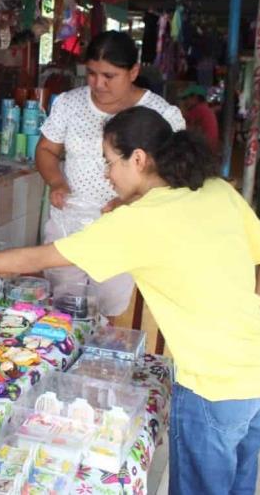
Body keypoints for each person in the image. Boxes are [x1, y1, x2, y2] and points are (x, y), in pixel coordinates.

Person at [0, 106, 260, 495]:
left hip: (213, 388)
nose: (106, 175)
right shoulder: (217, 190)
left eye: (110, 162)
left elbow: (43, 257)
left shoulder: (138, 223)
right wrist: (240, 316)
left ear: (138, 159)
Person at [35, 30, 186, 317]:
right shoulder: (70, 103)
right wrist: (57, 181)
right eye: (91, 73)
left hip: (125, 226)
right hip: (69, 220)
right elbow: (46, 151)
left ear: (133, 72)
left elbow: (173, 175)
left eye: (109, 75)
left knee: (108, 310)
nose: (97, 84)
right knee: (63, 309)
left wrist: (127, 203)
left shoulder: (161, 114)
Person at [180, 84, 220, 155]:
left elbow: (182, 126)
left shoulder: (197, 110)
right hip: (209, 149)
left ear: (195, 97)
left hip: (203, 150)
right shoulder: (205, 108)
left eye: (186, 98)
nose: (185, 102)